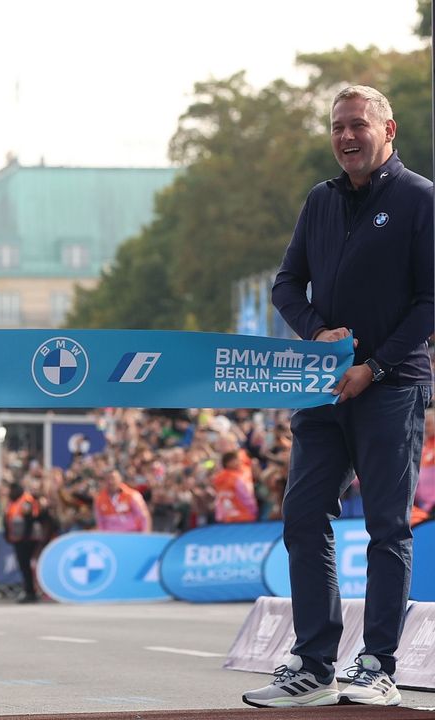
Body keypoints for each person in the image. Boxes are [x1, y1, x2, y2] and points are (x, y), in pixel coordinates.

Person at [244, 85, 433, 709]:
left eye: (357, 125)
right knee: (302, 515)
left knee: (385, 526)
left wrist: (374, 367)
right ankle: (313, 660)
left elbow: (431, 301)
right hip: (321, 388)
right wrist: (317, 335)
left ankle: (378, 662)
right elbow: (285, 284)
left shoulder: (419, 199)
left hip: (391, 386)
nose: (346, 137)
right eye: (337, 128)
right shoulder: (320, 201)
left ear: (388, 130)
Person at [4, 481, 42, 603]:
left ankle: (31, 592)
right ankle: (28, 590)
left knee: (26, 566)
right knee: (23, 566)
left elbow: (29, 520)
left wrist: (24, 538)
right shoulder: (13, 502)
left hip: (27, 539)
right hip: (18, 538)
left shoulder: (26, 500)